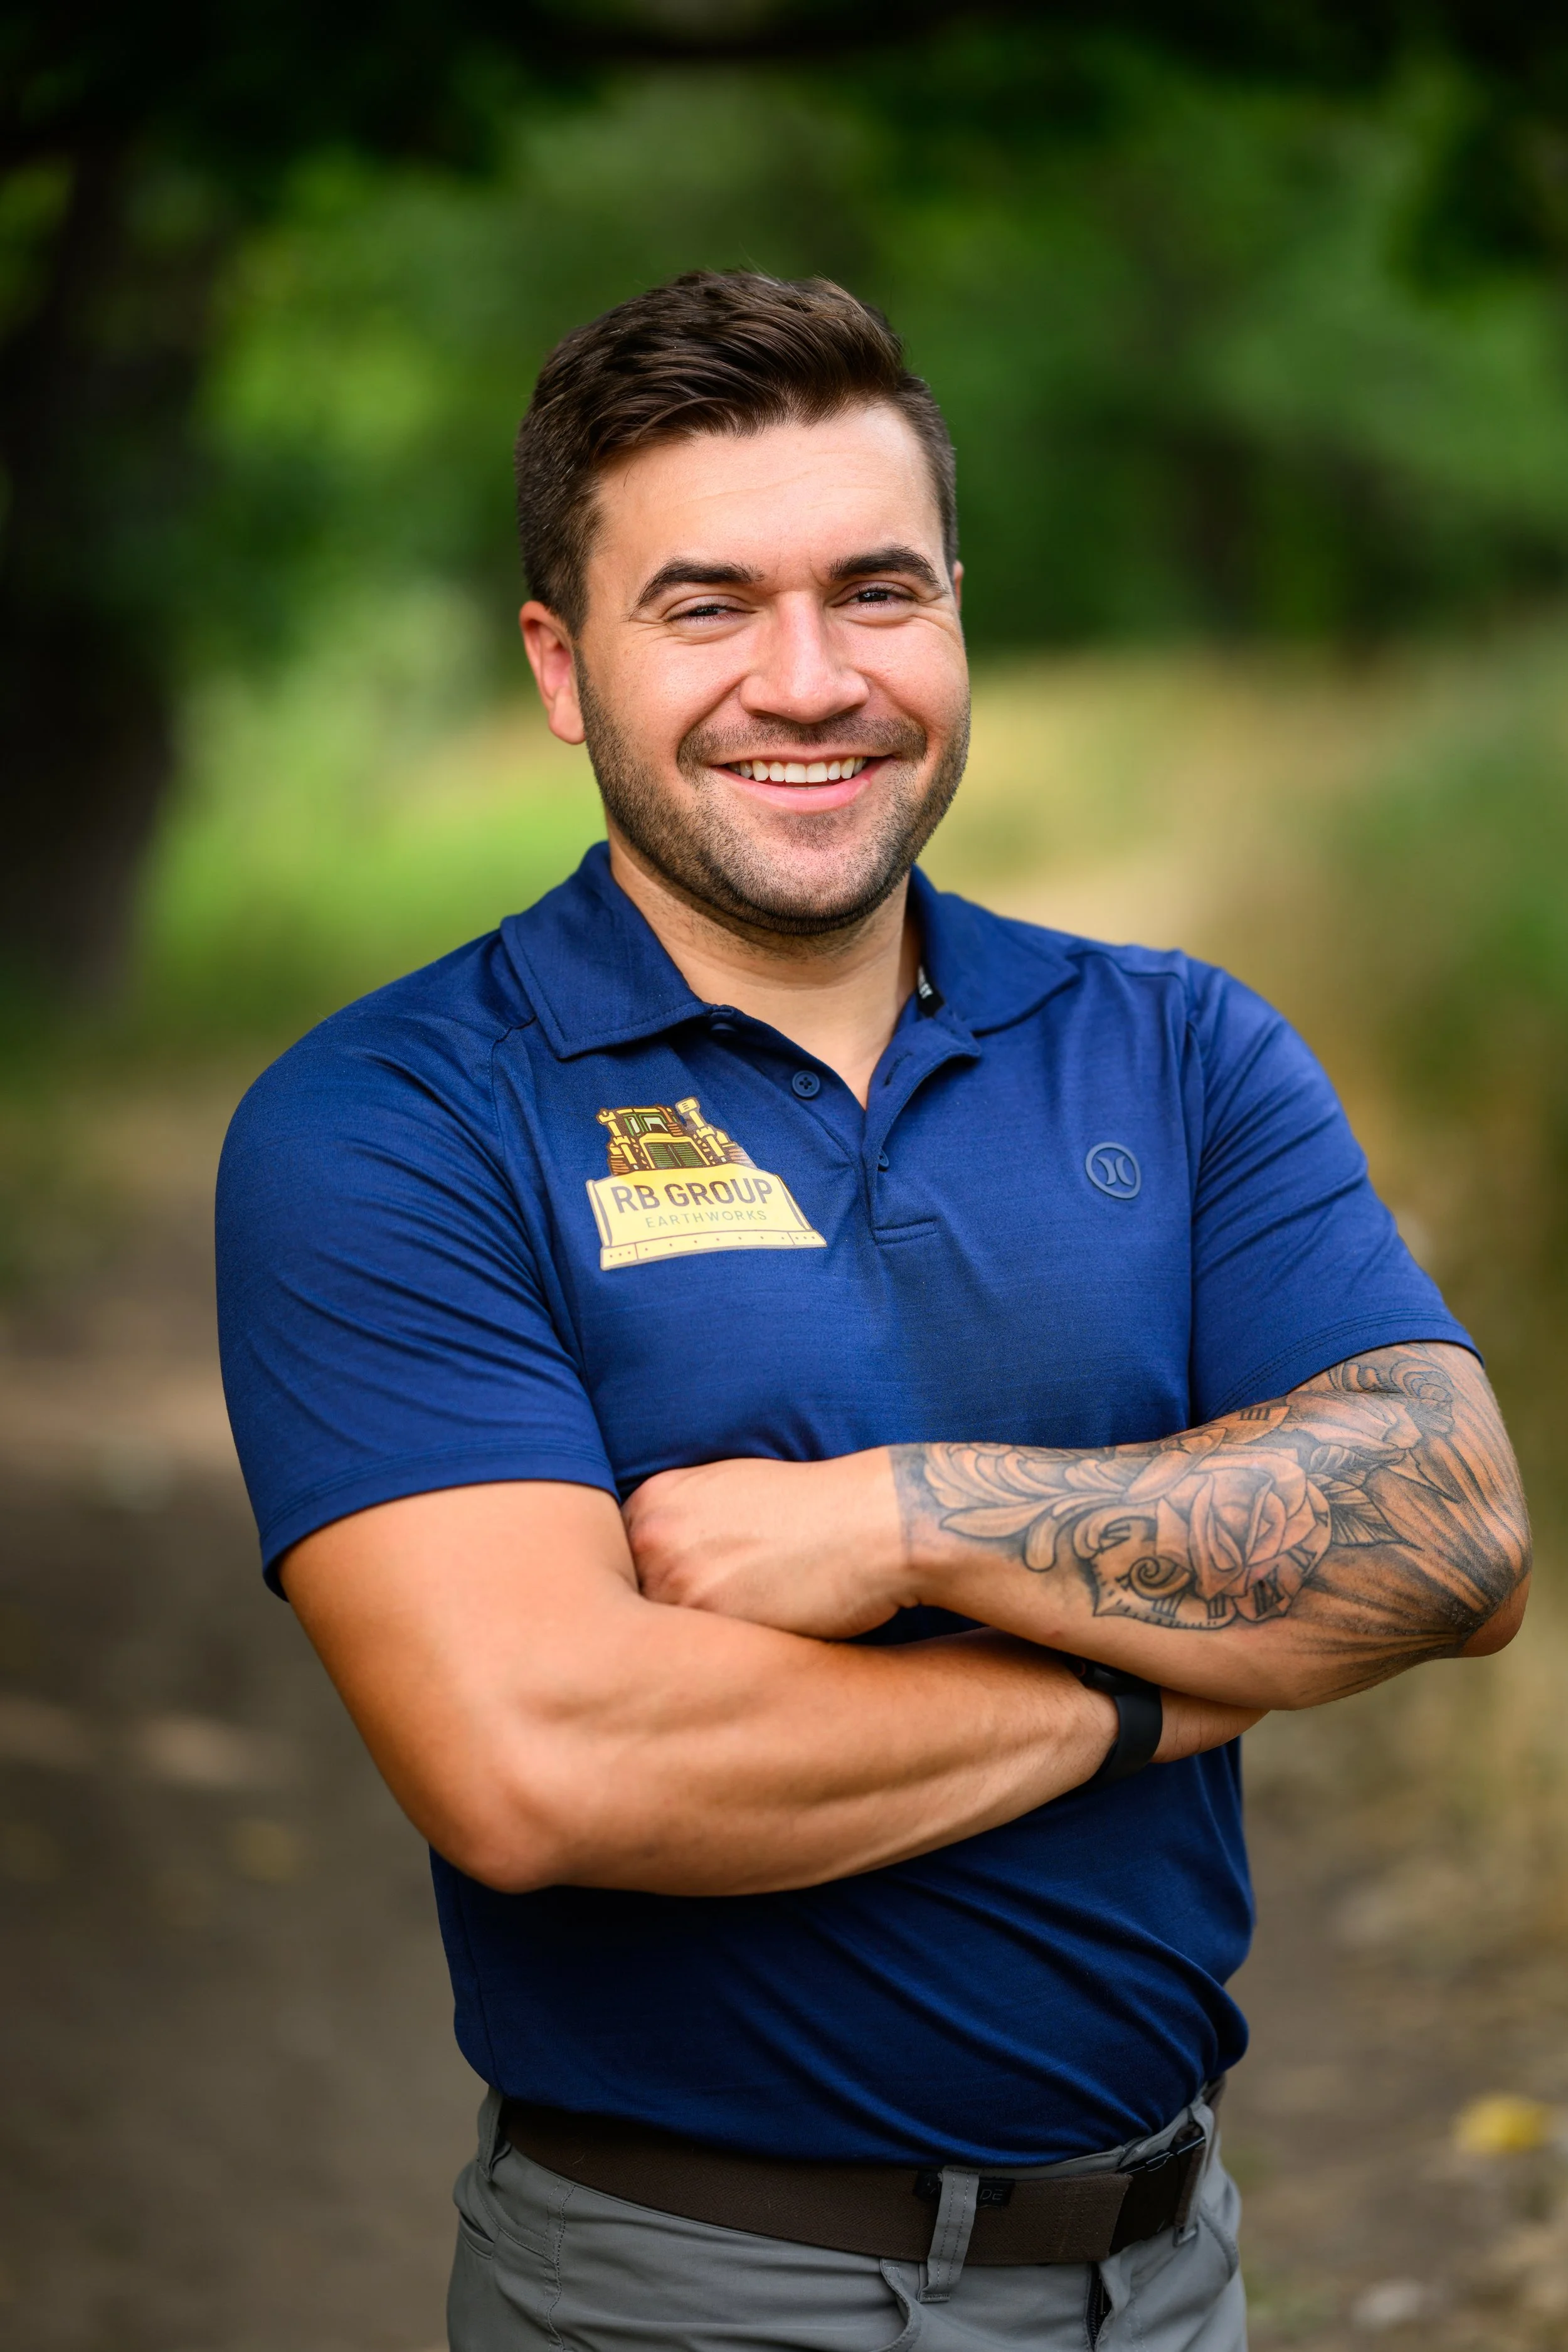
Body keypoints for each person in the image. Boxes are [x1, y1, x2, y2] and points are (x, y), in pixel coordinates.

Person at [215, 271, 1530, 2352]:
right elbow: (543, 1757)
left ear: (954, 620)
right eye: (708, 605)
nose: (808, 679)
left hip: (1171, 2276)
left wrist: (903, 1518)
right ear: (563, 667)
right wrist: (1151, 1687)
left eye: (876, 590)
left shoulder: (1177, 1051)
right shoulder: (394, 1121)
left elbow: (1445, 1525)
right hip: (686, 2290)